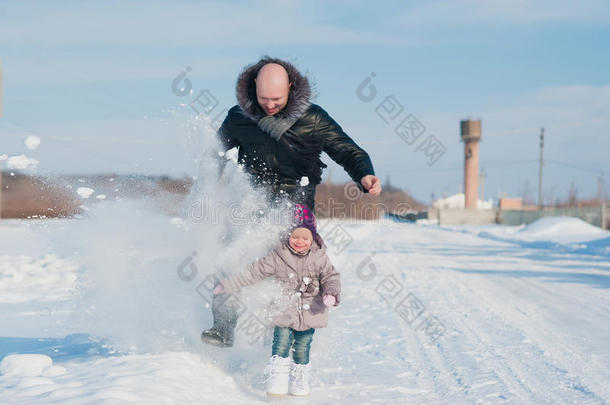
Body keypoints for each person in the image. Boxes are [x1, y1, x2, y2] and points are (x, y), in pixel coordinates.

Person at [201, 55, 380, 347]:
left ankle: (291, 333)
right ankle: (223, 327)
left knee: (297, 266)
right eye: (263, 99)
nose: (269, 105)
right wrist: (206, 187)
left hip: (296, 200)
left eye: (276, 99)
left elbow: (348, 151)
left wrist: (365, 174)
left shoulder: (314, 118)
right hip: (251, 198)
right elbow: (214, 156)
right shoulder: (238, 117)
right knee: (231, 257)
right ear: (252, 89)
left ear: (291, 88)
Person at [212, 204, 340, 397]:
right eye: (295, 236)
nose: (299, 241)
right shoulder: (277, 256)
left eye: (305, 237)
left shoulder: (320, 257)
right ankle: (277, 378)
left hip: (310, 311)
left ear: (313, 237)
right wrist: (228, 284)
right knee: (280, 343)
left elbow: (331, 276)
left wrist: (331, 293)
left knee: (303, 346)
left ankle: (299, 378)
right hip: (283, 308)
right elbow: (253, 272)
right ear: (287, 235)